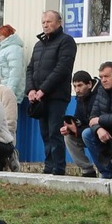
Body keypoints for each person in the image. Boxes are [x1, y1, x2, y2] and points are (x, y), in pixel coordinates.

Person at [24, 10, 76, 175]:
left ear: (59, 22)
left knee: (55, 132)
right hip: (39, 98)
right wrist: (31, 89)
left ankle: (59, 168)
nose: (45, 25)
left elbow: (62, 69)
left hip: (56, 96)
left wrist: (43, 90)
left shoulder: (66, 41)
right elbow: (31, 68)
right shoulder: (39, 45)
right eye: (43, 22)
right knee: (45, 133)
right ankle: (49, 166)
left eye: (49, 21)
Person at [0, 24, 24, 106]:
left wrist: (10, 92)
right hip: (0, 90)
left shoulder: (14, 49)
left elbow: (15, 72)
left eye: (0, 35)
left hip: (8, 91)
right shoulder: (2, 50)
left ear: (7, 35)